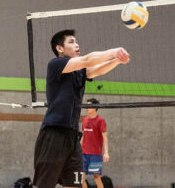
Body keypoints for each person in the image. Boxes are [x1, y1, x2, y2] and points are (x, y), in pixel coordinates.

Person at [33, 30, 130, 188]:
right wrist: (113, 51)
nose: (77, 44)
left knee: (76, 184)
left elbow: (97, 69)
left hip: (73, 137)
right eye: (71, 42)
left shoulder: (79, 71)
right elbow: (88, 60)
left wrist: (117, 60)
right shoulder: (56, 64)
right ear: (60, 48)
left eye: (76, 41)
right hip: (54, 134)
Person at [81, 99, 108, 188]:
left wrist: (106, 153)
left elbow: (105, 137)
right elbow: (84, 135)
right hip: (84, 153)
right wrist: (78, 149)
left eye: (89, 106)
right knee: (81, 178)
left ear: (95, 107)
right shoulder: (84, 120)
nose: (86, 108)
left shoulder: (100, 120)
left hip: (95, 154)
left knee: (96, 177)